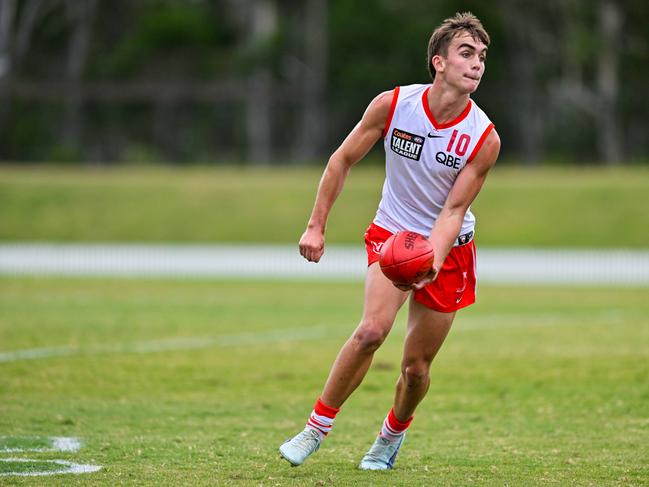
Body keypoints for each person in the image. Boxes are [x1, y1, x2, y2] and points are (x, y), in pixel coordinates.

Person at [279, 12, 500, 470]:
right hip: (392, 234)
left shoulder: (483, 136)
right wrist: (316, 225)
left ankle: (390, 435)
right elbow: (341, 160)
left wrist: (432, 260)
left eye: (481, 56)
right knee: (370, 332)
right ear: (438, 62)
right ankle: (314, 429)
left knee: (415, 369)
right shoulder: (394, 104)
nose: (476, 63)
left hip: (449, 250)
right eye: (465, 53)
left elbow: (453, 211)